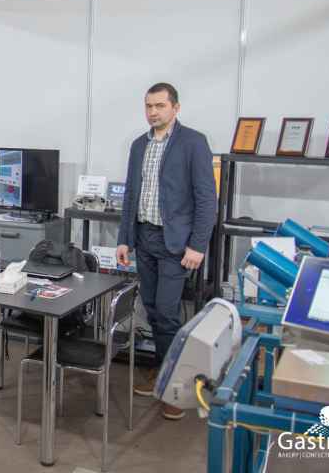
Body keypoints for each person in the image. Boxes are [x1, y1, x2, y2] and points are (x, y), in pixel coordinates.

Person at [116, 82, 216, 420]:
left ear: (175, 107)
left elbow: (207, 200)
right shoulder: (138, 145)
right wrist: (124, 239)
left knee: (169, 314)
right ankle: (162, 373)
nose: (153, 112)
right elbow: (131, 195)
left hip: (176, 244)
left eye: (160, 105)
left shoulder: (193, 142)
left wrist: (198, 245)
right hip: (144, 239)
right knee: (153, 309)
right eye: (149, 106)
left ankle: (178, 388)